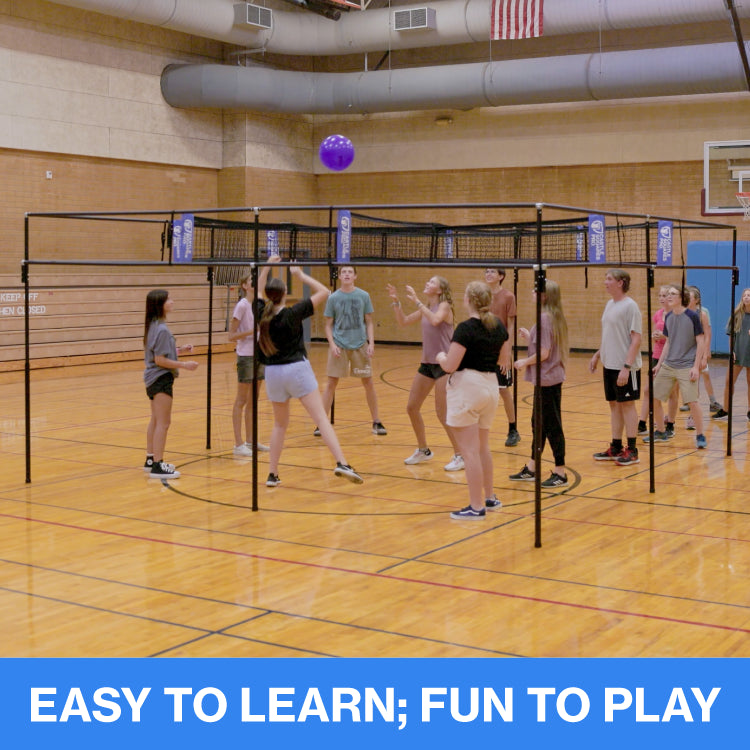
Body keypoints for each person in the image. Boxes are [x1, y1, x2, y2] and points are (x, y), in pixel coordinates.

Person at [257, 261, 363, 487]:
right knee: (321, 419)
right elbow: (325, 291)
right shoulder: (293, 312)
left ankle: (272, 474)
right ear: (285, 294)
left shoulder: (261, 313)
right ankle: (341, 462)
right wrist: (301, 275)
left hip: (273, 374)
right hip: (296, 369)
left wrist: (266, 267)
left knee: (279, 425)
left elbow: (258, 290)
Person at [436, 281, 510, 520]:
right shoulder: (498, 325)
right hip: (490, 386)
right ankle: (489, 497)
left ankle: (476, 506)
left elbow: (450, 366)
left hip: (468, 387)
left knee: (468, 452)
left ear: (468, 300)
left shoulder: (466, 328)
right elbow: (504, 358)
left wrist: (439, 356)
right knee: (482, 447)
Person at [386, 277, 463, 469]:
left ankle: (461, 455)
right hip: (427, 364)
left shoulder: (444, 306)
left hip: (444, 364)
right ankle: (423, 450)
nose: (427, 283)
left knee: (442, 413)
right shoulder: (425, 309)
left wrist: (418, 301)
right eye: (427, 281)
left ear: (440, 290)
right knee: (412, 407)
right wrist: (396, 301)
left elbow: (436, 320)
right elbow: (403, 321)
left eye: (431, 282)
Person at [510, 279, 570, 487]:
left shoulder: (545, 318)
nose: (533, 292)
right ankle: (533, 468)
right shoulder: (552, 317)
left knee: (552, 426)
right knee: (539, 425)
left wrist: (524, 362)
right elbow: (547, 346)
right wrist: (530, 337)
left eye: (537, 290)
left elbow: (544, 353)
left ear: (545, 295)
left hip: (548, 380)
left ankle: (560, 472)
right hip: (546, 379)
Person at [319, 265, 386, 436]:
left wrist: (371, 343)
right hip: (339, 346)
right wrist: (332, 344)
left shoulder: (364, 296)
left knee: (368, 382)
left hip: (360, 345)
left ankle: (376, 421)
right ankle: (321, 423)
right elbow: (327, 325)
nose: (347, 274)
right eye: (344, 272)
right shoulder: (333, 298)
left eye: (350, 272)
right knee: (331, 384)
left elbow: (369, 321)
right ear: (340, 276)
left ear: (355, 276)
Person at [143, 289, 199, 480]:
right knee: (164, 423)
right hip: (161, 379)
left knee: (156, 419)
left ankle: (151, 460)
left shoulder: (154, 326)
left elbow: (159, 353)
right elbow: (159, 359)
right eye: (169, 300)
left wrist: (179, 350)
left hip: (151, 379)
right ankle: (158, 465)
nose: (172, 302)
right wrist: (184, 365)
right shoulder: (162, 329)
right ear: (160, 305)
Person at [589, 269, 643, 466]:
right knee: (614, 405)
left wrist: (626, 367)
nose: (605, 282)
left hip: (626, 367)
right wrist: (598, 354)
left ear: (620, 283)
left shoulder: (631, 307)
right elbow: (609, 335)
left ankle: (632, 450)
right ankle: (616, 446)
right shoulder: (609, 304)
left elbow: (636, 339)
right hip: (609, 364)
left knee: (628, 405)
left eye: (609, 279)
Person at [644, 284, 707, 448]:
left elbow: (701, 341)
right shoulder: (669, 317)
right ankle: (661, 431)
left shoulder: (692, 316)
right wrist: (659, 364)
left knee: (692, 401)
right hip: (669, 364)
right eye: (668, 294)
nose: (669, 296)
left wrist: (695, 366)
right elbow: (668, 342)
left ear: (681, 298)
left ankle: (700, 435)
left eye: (673, 294)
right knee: (654, 397)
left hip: (686, 366)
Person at [227, 267, 272, 456]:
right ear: (244, 286)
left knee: (254, 400)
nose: (254, 283)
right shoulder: (242, 305)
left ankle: (251, 441)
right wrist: (252, 332)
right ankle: (238, 444)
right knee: (242, 400)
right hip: (246, 356)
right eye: (250, 281)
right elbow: (231, 336)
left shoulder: (259, 304)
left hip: (259, 354)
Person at [484, 267, 520, 447]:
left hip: (501, 349)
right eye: (486, 271)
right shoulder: (482, 295)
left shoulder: (508, 297)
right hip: (484, 349)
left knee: (504, 390)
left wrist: (507, 350)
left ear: (501, 276)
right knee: (481, 389)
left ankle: (513, 429)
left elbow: (511, 325)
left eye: (492, 272)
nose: (488, 274)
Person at [637, 285, 678, 438]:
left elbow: (677, 339)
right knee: (648, 390)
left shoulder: (676, 315)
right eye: (660, 295)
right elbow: (656, 332)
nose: (662, 298)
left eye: (665, 295)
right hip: (657, 355)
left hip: (671, 357)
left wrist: (664, 337)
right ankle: (642, 423)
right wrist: (655, 336)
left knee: (672, 392)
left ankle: (670, 424)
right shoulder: (658, 314)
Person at [712, 287, 750, 423]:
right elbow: (731, 335)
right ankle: (726, 410)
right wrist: (732, 351)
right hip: (738, 354)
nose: (746, 297)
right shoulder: (736, 315)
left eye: (749, 295)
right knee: (729, 382)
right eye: (745, 295)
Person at [686, 285, 722, 422]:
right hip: (686, 353)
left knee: (703, 375)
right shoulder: (682, 313)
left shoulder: (703, 313)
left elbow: (707, 334)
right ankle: (691, 408)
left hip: (699, 352)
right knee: (691, 381)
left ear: (696, 299)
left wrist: (706, 353)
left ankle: (712, 402)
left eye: (689, 297)